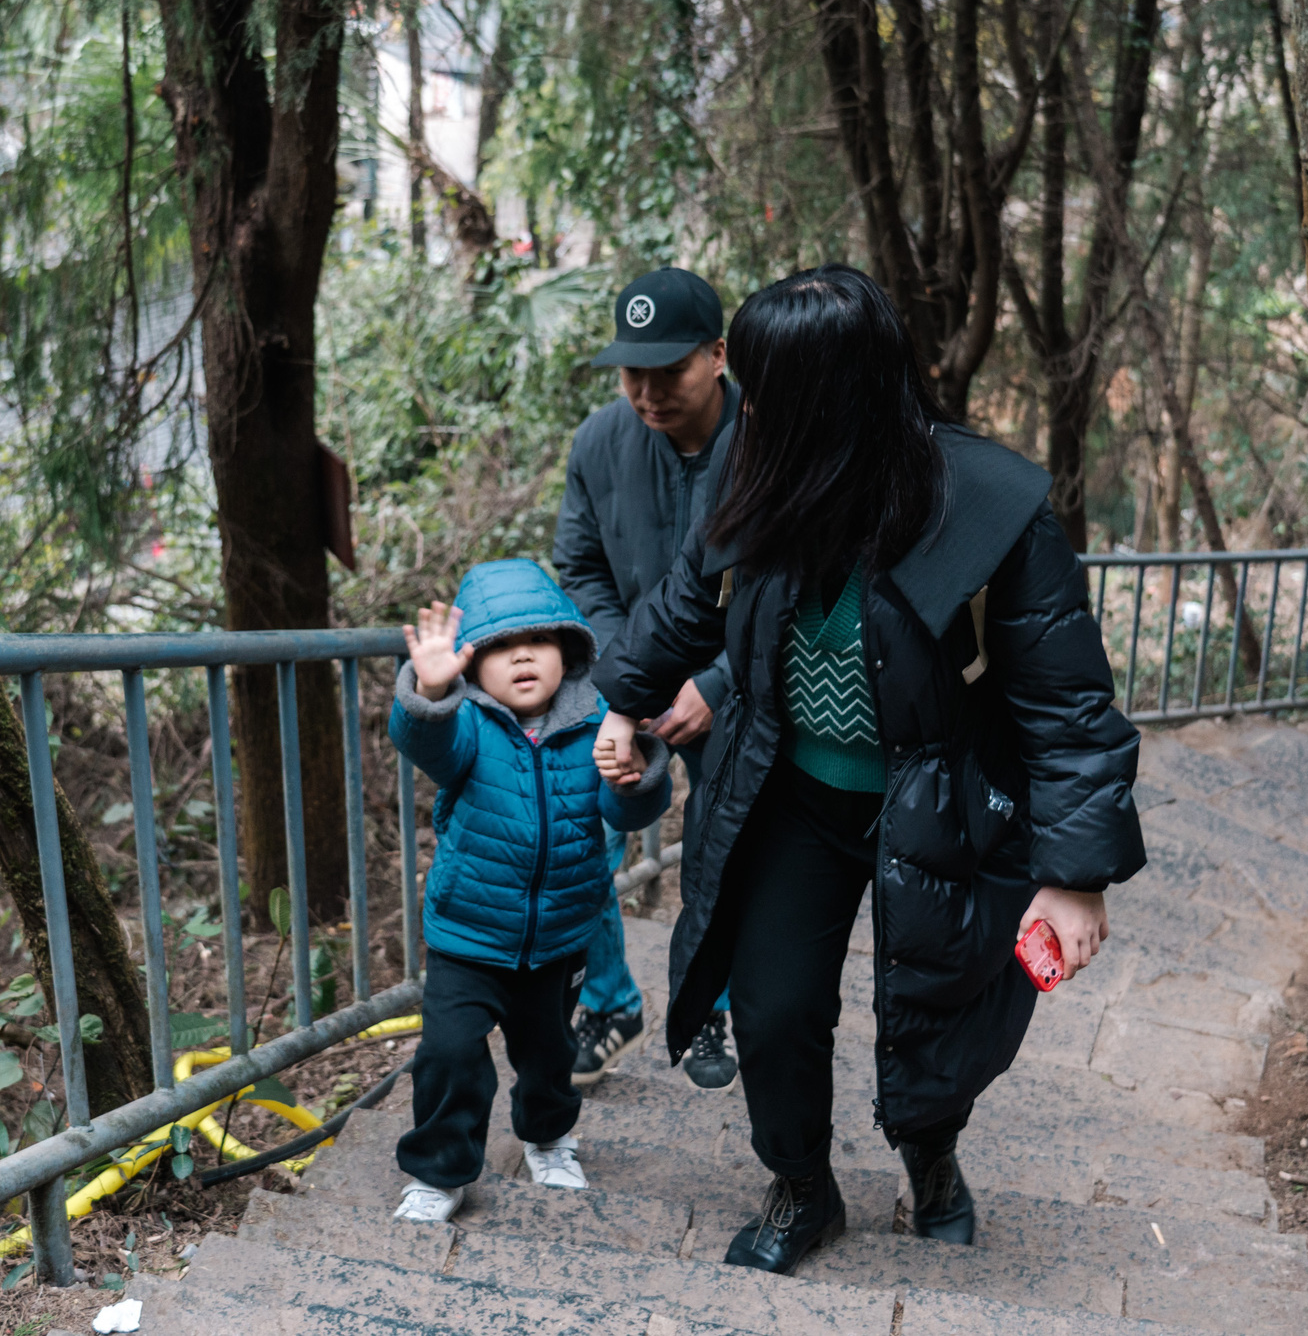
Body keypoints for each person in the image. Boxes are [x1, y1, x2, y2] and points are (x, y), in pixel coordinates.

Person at [592, 266, 1145, 1274]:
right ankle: (801, 1187)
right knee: (774, 1003)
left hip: (931, 794)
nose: (745, 408)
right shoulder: (758, 467)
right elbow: (686, 596)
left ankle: (931, 1155)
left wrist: (1075, 873)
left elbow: (1064, 700)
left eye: (763, 388)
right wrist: (623, 697)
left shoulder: (987, 506)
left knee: (934, 1001)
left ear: (827, 396)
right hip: (791, 788)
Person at [388, 559, 672, 1223]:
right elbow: (429, 745)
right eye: (499, 648)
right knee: (451, 1054)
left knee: (549, 1055)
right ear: (473, 666)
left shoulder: (598, 718)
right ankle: (441, 1171)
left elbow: (627, 813)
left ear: (567, 651)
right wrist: (430, 695)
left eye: (539, 642)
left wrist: (636, 775)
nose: (522, 657)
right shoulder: (470, 727)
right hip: (468, 933)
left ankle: (548, 1138)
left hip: (561, 935)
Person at [552, 267, 740, 1088]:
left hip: (741, 687)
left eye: (670, 371)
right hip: (625, 677)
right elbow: (582, 565)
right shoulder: (599, 443)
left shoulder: (767, 444)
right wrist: (626, 675)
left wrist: (722, 680)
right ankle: (611, 1000)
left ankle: (711, 1007)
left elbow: (805, 587)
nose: (649, 391)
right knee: (575, 828)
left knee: (723, 848)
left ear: (719, 357)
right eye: (634, 373)